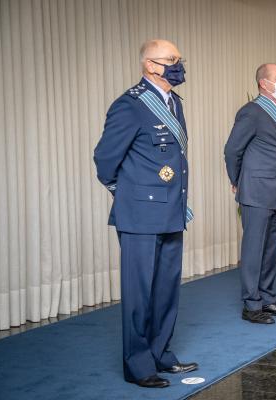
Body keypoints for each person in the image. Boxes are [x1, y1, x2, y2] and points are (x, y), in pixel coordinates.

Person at [93, 39, 197, 388]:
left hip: (171, 209)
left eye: (179, 59)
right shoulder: (130, 105)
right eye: (171, 59)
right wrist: (127, 194)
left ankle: (160, 353)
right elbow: (105, 159)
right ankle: (138, 365)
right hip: (139, 213)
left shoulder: (173, 103)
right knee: (139, 293)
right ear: (150, 65)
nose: (177, 65)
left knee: (166, 289)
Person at [224, 63, 276, 325]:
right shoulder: (251, 112)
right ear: (264, 83)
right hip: (257, 190)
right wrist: (237, 179)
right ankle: (251, 305)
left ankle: (268, 299)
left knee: (270, 249)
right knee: (254, 249)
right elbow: (232, 150)